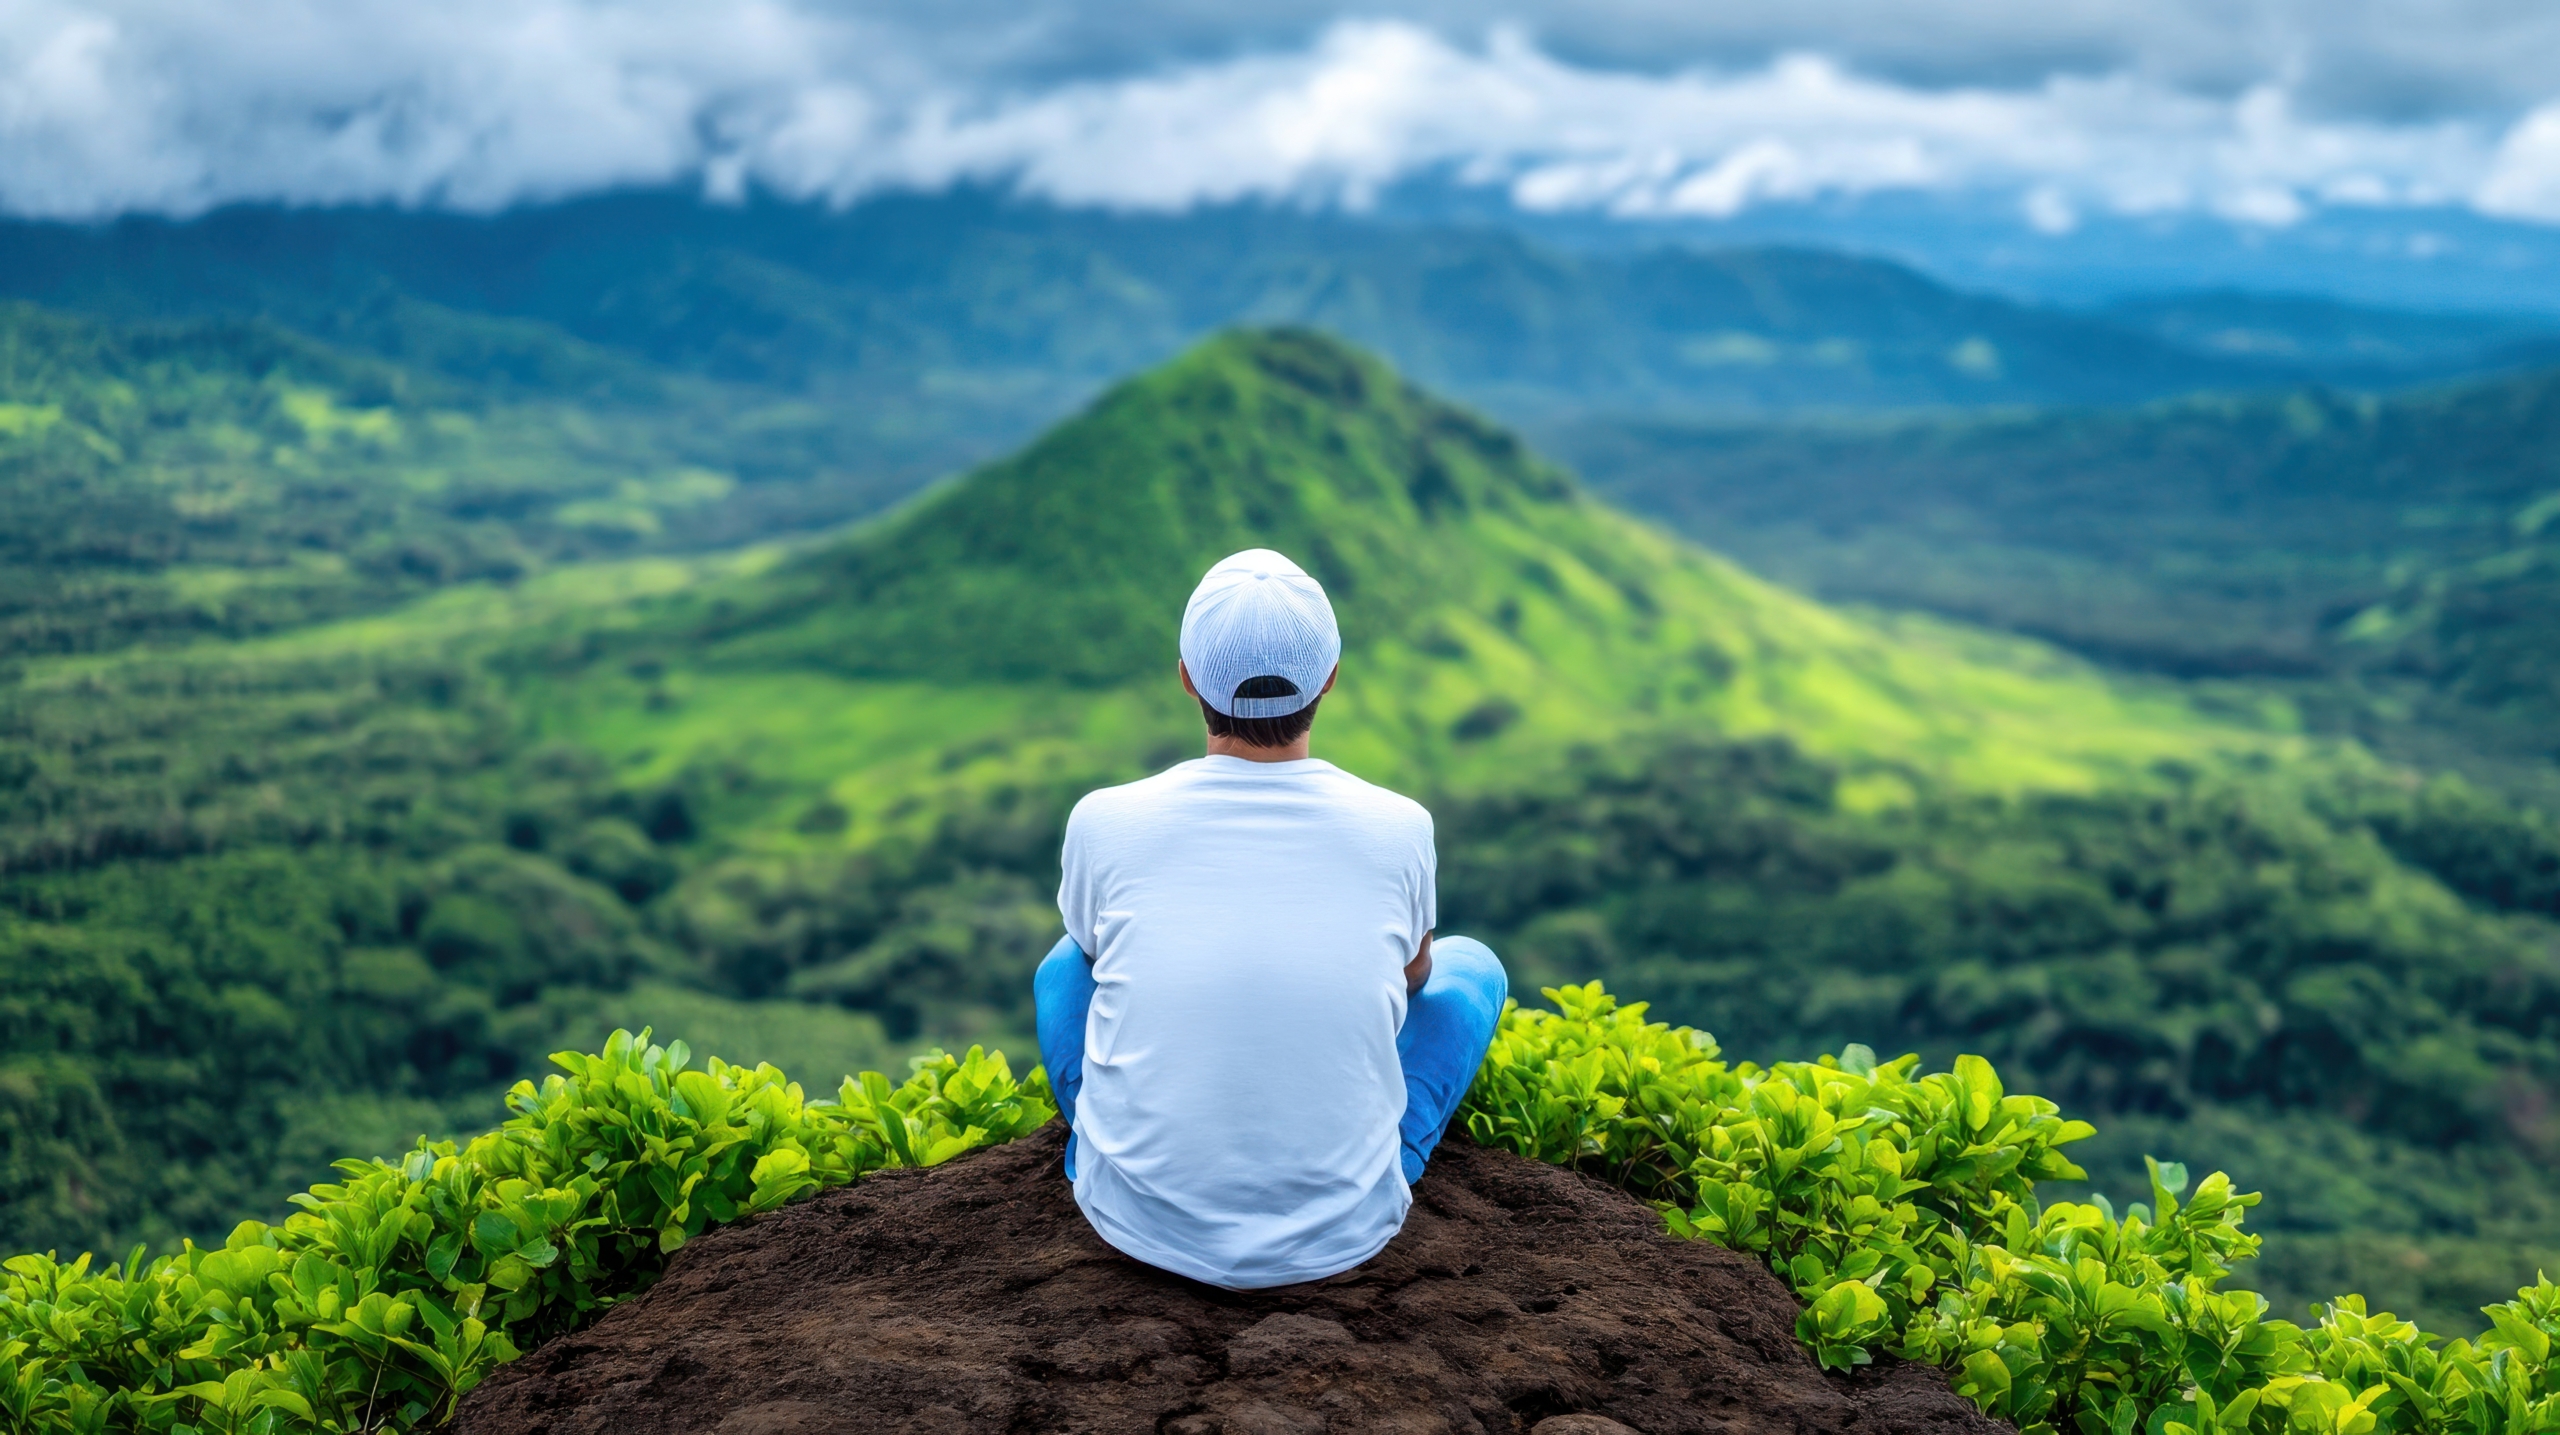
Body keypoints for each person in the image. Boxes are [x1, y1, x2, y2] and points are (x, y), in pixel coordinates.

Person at [1033, 548, 1509, 1290]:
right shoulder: (1401, 825)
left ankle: (1105, 1146)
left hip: (1139, 1226)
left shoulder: (1104, 819)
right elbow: (1416, 978)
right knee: (1471, 964)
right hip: (1342, 1237)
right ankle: (1382, 1158)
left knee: (1063, 964)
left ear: (1187, 675)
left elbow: (1094, 962)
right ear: (1329, 677)